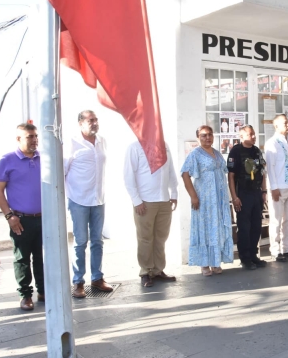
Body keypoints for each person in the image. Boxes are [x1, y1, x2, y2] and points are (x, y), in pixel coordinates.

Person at [0, 123, 44, 311]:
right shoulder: (7, 160)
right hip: (21, 219)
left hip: (43, 218)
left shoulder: (43, 158)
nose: (34, 140)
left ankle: (43, 291)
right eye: (29, 136)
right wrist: (9, 216)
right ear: (18, 139)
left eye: (35, 136)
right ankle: (25, 295)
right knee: (22, 258)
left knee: (40, 257)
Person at [64, 110, 113, 298]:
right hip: (79, 200)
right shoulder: (71, 143)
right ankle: (78, 282)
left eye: (96, 119)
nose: (94, 123)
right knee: (80, 242)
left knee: (98, 241)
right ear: (80, 123)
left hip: (98, 199)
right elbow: (63, 171)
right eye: (90, 120)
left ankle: (97, 278)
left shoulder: (102, 141)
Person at [124, 140, 178, 287]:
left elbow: (171, 170)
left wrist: (174, 193)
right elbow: (128, 176)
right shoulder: (134, 147)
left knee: (161, 238)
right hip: (145, 201)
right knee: (145, 238)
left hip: (164, 200)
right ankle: (145, 272)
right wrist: (136, 200)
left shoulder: (165, 146)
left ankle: (158, 270)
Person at [181, 125, 234, 276]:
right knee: (204, 228)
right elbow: (185, 174)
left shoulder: (217, 153)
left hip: (218, 200)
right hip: (204, 200)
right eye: (203, 135)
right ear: (198, 137)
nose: (207, 138)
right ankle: (204, 264)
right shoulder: (195, 154)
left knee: (216, 229)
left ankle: (215, 262)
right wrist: (193, 196)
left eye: (210, 134)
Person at [227, 125, 268, 270]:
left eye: (254, 134)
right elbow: (231, 176)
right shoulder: (236, 151)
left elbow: (262, 171)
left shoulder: (256, 151)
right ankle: (245, 258)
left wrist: (264, 191)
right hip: (243, 194)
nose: (253, 136)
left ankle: (253, 255)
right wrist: (234, 197)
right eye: (250, 134)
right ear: (242, 136)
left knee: (256, 226)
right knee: (244, 227)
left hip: (256, 193)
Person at [264, 114, 288, 261]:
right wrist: (273, 187)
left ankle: (287, 248)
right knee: (276, 220)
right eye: (285, 123)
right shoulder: (272, 143)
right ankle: (275, 250)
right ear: (276, 126)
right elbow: (270, 168)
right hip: (278, 188)